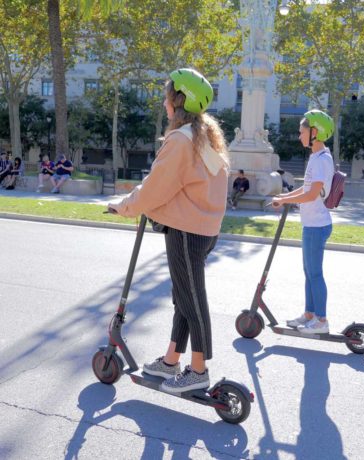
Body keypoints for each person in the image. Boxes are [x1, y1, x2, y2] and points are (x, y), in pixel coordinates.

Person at [108, 68, 228, 394]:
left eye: (166, 97)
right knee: (183, 298)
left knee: (192, 301)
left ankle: (198, 370)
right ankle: (172, 359)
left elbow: (155, 188)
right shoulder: (203, 138)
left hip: (187, 231)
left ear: (178, 101)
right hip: (204, 229)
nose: (164, 103)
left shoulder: (181, 140)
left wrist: (125, 206)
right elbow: (211, 182)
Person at [272, 109, 335, 334]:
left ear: (315, 132)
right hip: (311, 224)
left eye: (302, 132)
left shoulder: (321, 160)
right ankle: (309, 314)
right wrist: (284, 198)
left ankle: (321, 321)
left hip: (317, 225)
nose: (299, 136)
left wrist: (286, 200)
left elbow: (310, 196)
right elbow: (306, 189)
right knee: (309, 272)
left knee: (315, 274)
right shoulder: (316, 157)